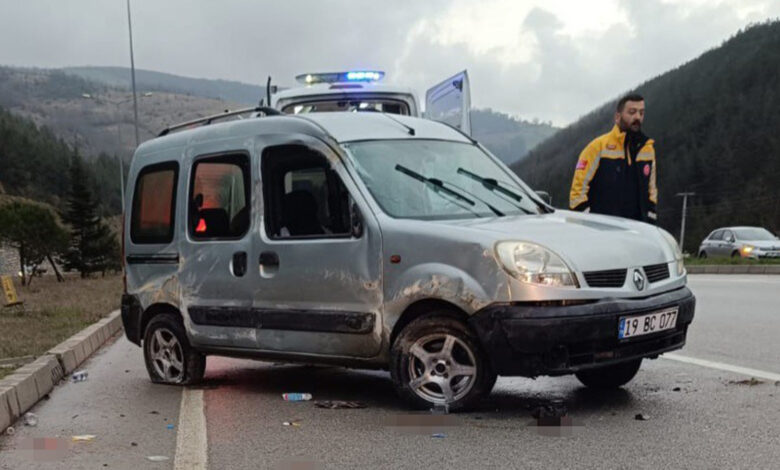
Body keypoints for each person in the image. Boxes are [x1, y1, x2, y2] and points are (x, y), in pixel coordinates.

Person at [569, 93, 657, 223]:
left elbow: (652, 192)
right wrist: (588, 223)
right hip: (601, 231)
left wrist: (650, 222)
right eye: (632, 112)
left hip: (637, 231)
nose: (637, 117)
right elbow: (577, 193)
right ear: (617, 117)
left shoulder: (648, 149)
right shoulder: (597, 147)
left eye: (641, 113)